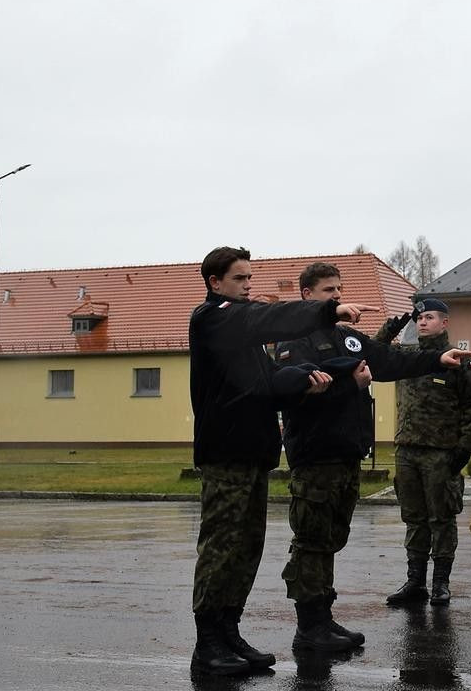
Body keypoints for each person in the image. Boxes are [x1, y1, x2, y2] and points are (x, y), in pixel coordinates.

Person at [188, 246, 377, 676]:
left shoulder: (243, 334)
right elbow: (265, 318)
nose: (248, 285)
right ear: (215, 283)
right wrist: (328, 310)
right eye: (240, 279)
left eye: (250, 278)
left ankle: (229, 633)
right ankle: (207, 645)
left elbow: (270, 382)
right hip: (225, 454)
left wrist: (303, 382)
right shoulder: (213, 318)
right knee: (222, 548)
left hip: (254, 453)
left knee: (246, 548)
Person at [276, 264, 471, 651]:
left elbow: (388, 360)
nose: (335, 295)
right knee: (312, 543)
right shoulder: (292, 341)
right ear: (306, 295)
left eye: (339, 288)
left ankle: (324, 618)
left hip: (345, 457)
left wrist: (436, 359)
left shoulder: (345, 337)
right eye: (326, 290)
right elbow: (299, 389)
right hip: (316, 458)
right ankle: (308, 627)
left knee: (330, 540)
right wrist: (351, 383)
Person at [382, 298, 471, 607]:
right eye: (419, 318)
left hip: (441, 453)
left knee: (441, 518)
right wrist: (393, 326)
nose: (422, 323)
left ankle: (441, 582)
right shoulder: (406, 356)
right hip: (407, 449)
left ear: (445, 322)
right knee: (414, 518)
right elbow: (372, 352)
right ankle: (415, 582)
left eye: (429, 317)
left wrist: (464, 449)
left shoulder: (460, 360)